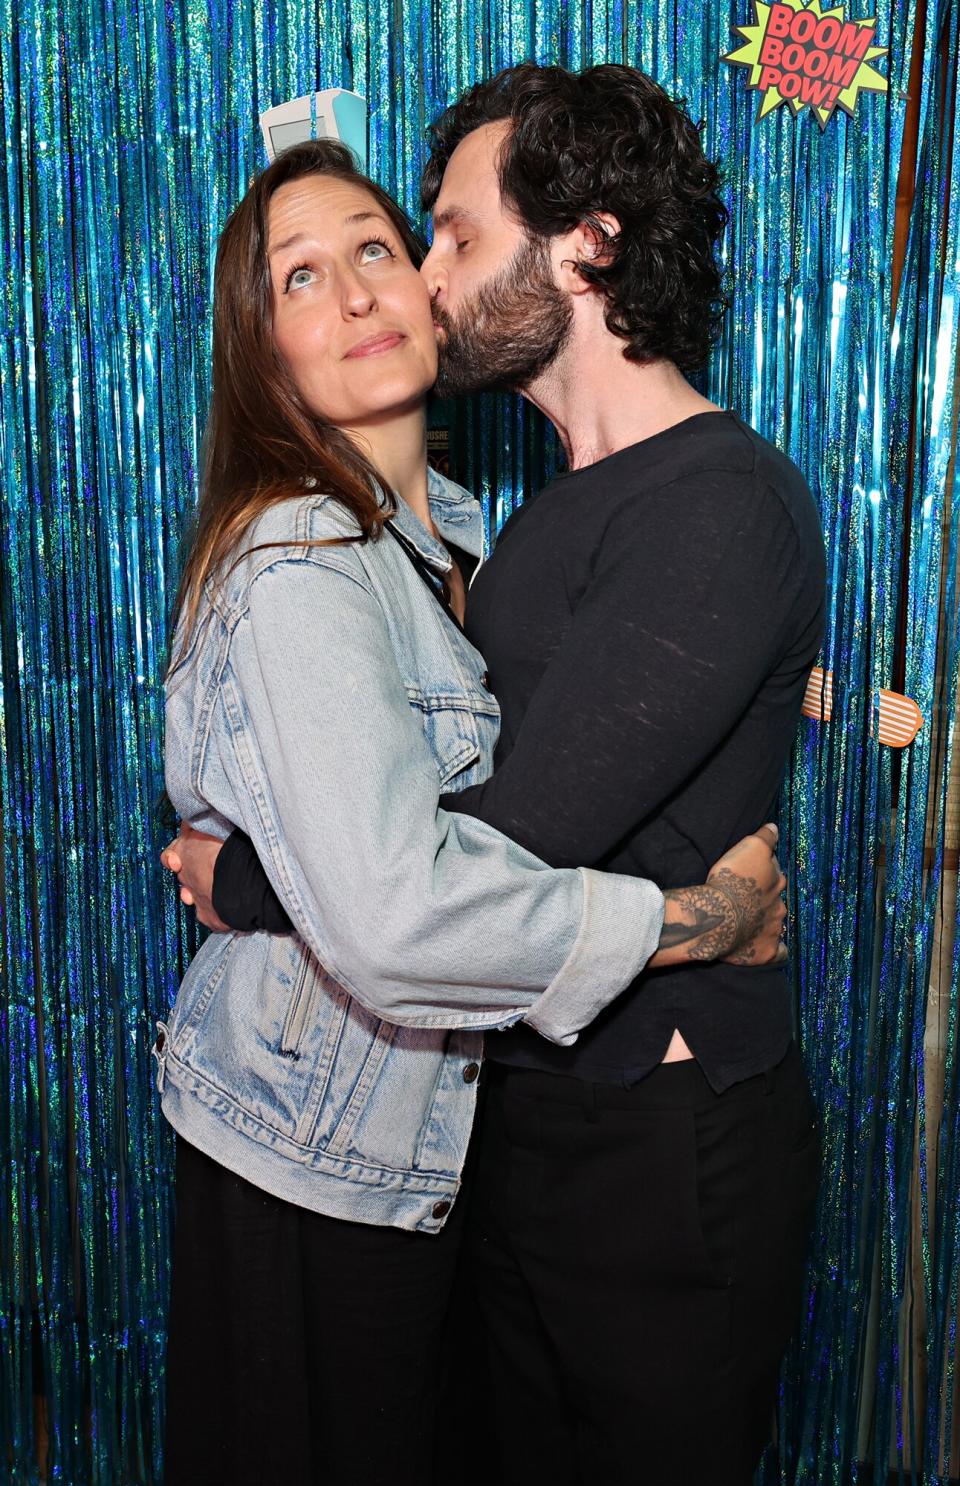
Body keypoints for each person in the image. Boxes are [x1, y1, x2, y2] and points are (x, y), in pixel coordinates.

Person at [172, 62, 827, 1486]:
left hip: (660, 1154)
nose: (424, 278)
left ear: (586, 242)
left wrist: (255, 877)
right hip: (513, 1125)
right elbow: (426, 831)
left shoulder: (718, 502)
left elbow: (511, 834)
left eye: (454, 237)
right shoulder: (515, 532)